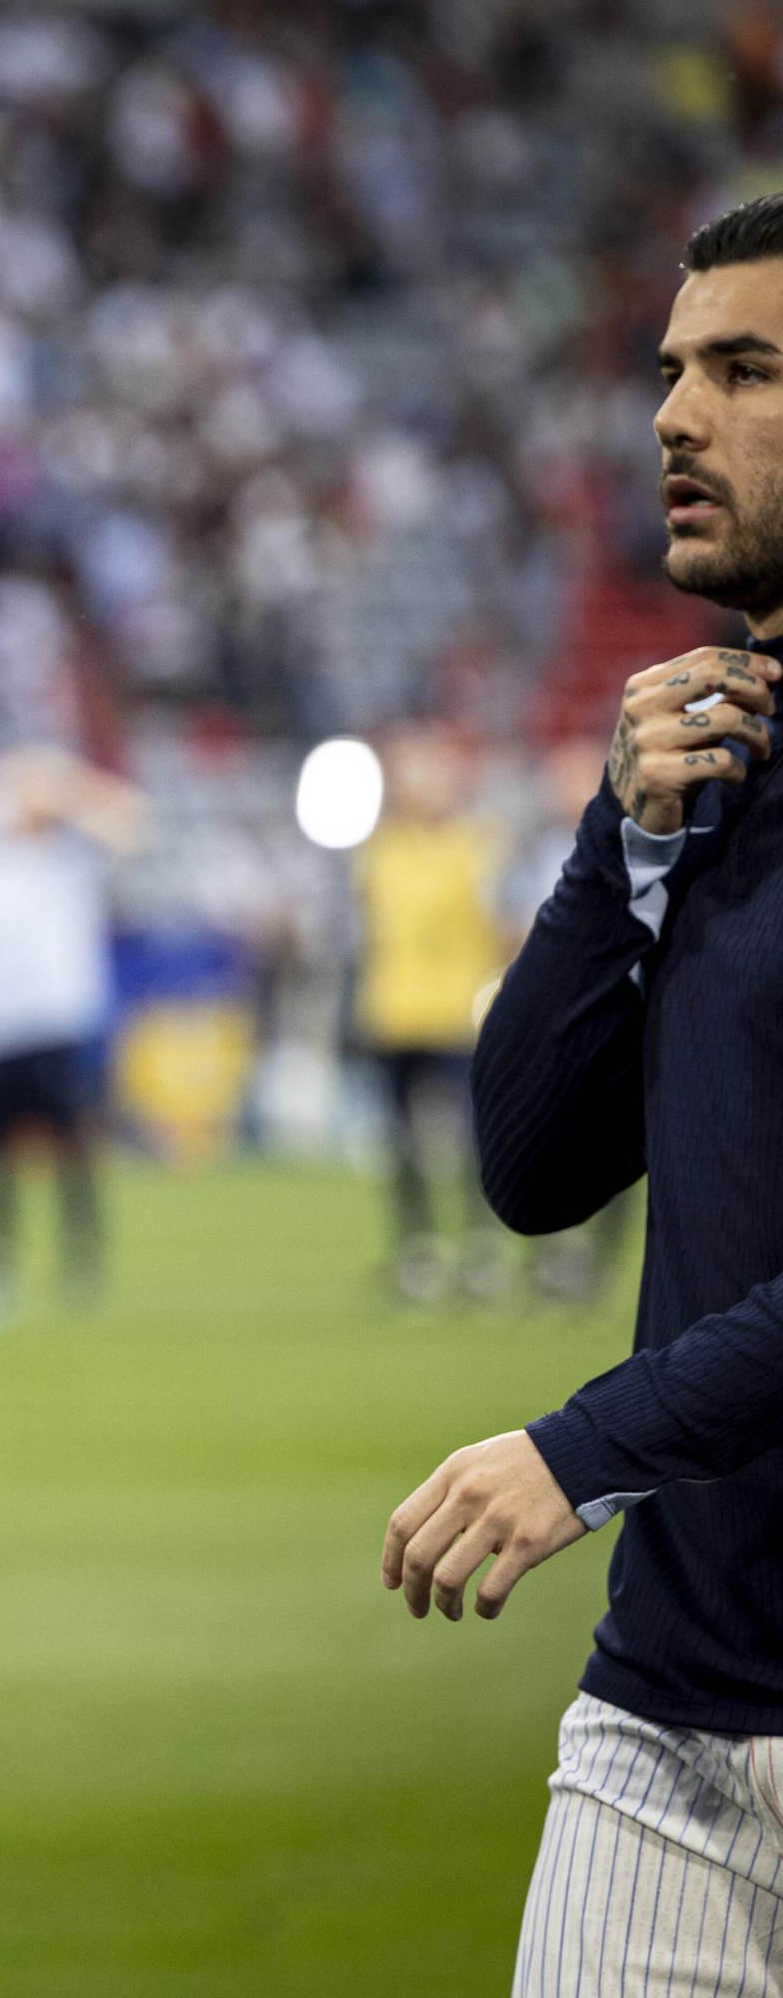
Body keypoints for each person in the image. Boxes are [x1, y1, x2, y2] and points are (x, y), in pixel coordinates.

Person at [383, 192, 783, 1994]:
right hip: (673, 1718)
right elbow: (532, 1165)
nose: (670, 417)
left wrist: (579, 1453)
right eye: (670, 370)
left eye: (745, 369)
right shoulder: (717, 750)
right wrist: (617, 842)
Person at [0, 745, 142, 1305]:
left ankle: (81, 1263)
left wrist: (65, 789)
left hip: (57, 1022)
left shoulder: (71, 858)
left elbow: (133, 824)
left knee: (73, 1149)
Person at [348, 723, 508, 1304]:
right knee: (402, 1144)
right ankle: (418, 1251)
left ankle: (480, 1248)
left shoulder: (479, 842)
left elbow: (502, 923)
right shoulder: (379, 848)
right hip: (393, 1011)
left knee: (472, 1141)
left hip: (457, 1012)